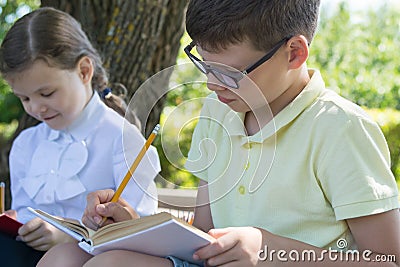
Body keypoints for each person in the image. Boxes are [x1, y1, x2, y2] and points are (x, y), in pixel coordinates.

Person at [38, 0, 400, 266]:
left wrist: (268, 249)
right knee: (63, 258)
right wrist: (138, 228)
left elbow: (387, 259)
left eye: (228, 73)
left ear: (294, 53)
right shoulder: (220, 111)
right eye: (203, 64)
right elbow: (205, 231)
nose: (211, 85)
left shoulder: (341, 128)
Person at [0, 7, 160, 267]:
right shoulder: (25, 145)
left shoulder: (121, 139)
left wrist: (68, 236)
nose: (35, 108)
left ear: (84, 71)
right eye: (25, 98)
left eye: (47, 93)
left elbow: (138, 229)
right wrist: (19, 222)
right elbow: (25, 208)